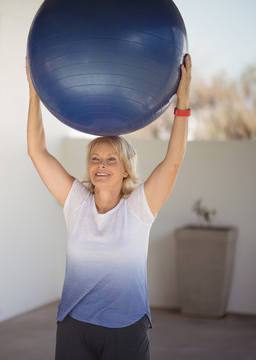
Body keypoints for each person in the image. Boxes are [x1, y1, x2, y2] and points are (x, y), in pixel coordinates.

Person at [26, 54, 192, 360]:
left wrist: (182, 105)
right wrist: (34, 93)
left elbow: (173, 162)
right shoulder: (76, 202)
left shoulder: (140, 208)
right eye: (95, 159)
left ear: (126, 169)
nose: (101, 166)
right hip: (75, 325)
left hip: (126, 327)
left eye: (111, 159)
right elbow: (37, 151)